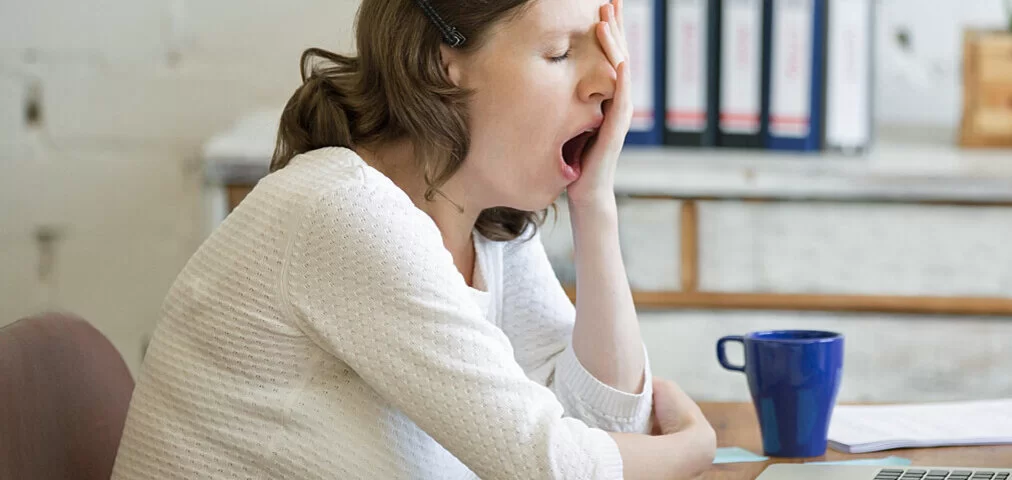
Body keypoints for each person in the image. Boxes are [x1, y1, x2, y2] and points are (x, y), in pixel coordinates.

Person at [109, 0, 717, 478]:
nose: (604, 85)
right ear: (437, 62)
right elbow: (553, 465)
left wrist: (594, 202)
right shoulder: (345, 211)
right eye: (559, 53)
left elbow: (599, 427)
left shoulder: (482, 220)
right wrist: (694, 447)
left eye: (603, 49)